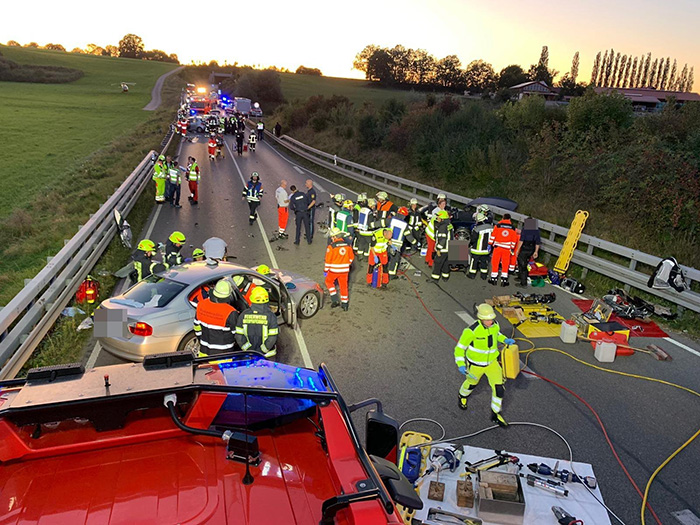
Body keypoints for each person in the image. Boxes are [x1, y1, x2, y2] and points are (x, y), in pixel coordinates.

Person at [454, 303, 515, 427]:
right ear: (480, 318)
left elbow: (497, 335)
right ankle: (462, 396)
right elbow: (459, 349)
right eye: (487, 320)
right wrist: (461, 364)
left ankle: (495, 414)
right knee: (470, 385)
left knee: (499, 389)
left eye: (491, 319)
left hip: (492, 364)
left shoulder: (495, 325)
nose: (490, 322)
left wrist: (504, 340)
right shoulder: (471, 331)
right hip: (475, 365)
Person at [193, 279, 239, 358]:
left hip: (203, 353)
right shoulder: (230, 312)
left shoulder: (201, 305)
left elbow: (196, 327)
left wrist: (202, 340)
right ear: (229, 296)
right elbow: (237, 334)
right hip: (223, 355)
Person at [235, 287, 279, 358]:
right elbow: (272, 338)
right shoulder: (271, 316)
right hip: (267, 356)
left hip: (249, 355)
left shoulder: (243, 314)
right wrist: (261, 351)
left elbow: (239, 335)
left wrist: (249, 350)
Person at [325, 227, 354, 311]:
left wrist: (326, 271)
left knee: (328, 282)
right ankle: (345, 304)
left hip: (334, 270)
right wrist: (346, 264)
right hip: (345, 270)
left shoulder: (331, 247)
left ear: (335, 237)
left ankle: (335, 300)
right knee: (343, 286)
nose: (331, 238)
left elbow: (328, 260)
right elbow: (351, 258)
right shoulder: (347, 245)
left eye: (332, 237)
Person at [489, 214, 517, 286]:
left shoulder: (498, 226)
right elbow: (514, 239)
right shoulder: (513, 228)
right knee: (505, 263)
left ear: (503, 218)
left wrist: (490, 243)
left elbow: (493, 236)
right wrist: (512, 247)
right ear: (510, 219)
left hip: (497, 247)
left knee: (495, 262)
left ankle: (493, 279)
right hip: (507, 249)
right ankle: (504, 280)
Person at [515, 217, 541, 288]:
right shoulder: (536, 230)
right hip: (531, 248)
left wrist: (517, 250)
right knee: (524, 262)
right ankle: (520, 277)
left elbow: (521, 240)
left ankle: (523, 283)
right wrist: (536, 251)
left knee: (522, 263)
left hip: (525, 248)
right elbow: (538, 242)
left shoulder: (525, 229)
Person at [468, 211, 493, 279]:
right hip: (486, 250)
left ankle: (472, 275)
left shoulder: (477, 229)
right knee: (484, 262)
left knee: (474, 262)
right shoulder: (491, 227)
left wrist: (469, 244)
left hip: (477, 250)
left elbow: (473, 239)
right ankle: (484, 275)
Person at [431, 210, 453, 282]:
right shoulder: (449, 225)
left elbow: (442, 240)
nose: (437, 218)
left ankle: (435, 278)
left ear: (442, 218)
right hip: (449, 248)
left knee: (438, 263)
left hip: (443, 249)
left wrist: (438, 249)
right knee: (445, 263)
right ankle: (445, 277)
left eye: (438, 217)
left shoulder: (442, 227)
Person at [386, 207, 409, 278]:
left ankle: (383, 272)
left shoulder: (392, 220)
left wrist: (372, 225)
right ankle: (391, 275)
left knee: (385, 257)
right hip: (397, 246)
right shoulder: (405, 225)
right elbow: (408, 235)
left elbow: (381, 223)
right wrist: (415, 243)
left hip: (388, 242)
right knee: (395, 260)